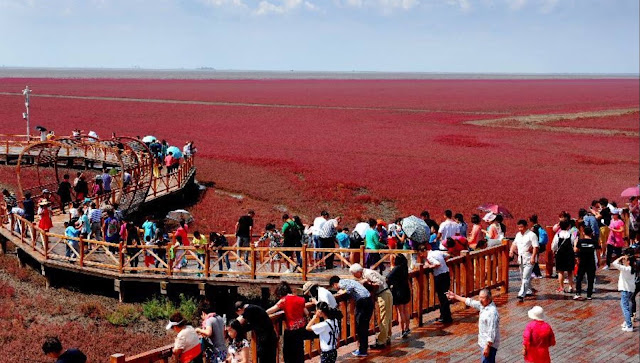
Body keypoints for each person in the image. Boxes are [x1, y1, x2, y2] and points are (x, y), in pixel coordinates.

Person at [446, 289, 500, 363]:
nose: (480, 300)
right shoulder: (483, 305)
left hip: (489, 345)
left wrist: (487, 347)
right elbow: (470, 302)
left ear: (489, 298)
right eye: (480, 297)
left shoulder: (492, 313)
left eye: (483, 298)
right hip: (483, 342)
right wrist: (455, 296)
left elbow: (492, 331)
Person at [349, 263, 392, 349]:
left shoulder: (368, 274)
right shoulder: (367, 273)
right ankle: (387, 337)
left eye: (354, 274)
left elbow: (378, 283)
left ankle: (381, 341)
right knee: (387, 318)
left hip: (383, 294)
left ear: (358, 272)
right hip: (385, 293)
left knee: (384, 318)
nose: (354, 276)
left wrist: (367, 283)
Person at [329, 275, 373, 357]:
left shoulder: (342, 283)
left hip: (362, 302)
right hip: (368, 300)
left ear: (334, 284)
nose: (336, 288)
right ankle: (363, 348)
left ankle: (362, 350)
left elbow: (350, 288)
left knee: (361, 326)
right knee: (364, 326)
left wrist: (343, 292)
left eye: (334, 287)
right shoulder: (349, 280)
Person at [266, 281, 309, 363]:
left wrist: (261, 313)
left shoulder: (284, 300)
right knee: (299, 351)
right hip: (301, 328)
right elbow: (306, 312)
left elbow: (272, 310)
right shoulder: (301, 299)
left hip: (291, 329)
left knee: (288, 353)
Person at [510, 219, 539, 302]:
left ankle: (521, 294)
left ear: (526, 226)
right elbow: (514, 244)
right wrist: (511, 251)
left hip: (529, 259)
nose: (520, 229)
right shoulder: (518, 235)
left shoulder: (532, 235)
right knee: (522, 275)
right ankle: (529, 290)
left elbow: (535, 247)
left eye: (522, 227)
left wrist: (533, 257)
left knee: (525, 276)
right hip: (521, 259)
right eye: (519, 227)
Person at [424, 249, 453, 324]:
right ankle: (446, 315)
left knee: (442, 297)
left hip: (440, 276)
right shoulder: (437, 251)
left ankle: (445, 317)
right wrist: (444, 263)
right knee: (445, 295)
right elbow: (448, 255)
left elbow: (437, 264)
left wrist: (430, 266)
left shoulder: (430, 256)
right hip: (446, 273)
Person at [386, 254, 411, 338]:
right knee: (405, 310)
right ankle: (407, 328)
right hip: (406, 289)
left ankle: (402, 330)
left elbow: (388, 277)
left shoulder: (396, 268)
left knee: (400, 312)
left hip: (398, 291)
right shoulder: (405, 267)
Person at [574, 226, 600, 300]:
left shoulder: (581, 241)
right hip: (591, 262)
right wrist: (598, 260)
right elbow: (598, 252)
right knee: (590, 278)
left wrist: (575, 243)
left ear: (583, 233)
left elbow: (576, 250)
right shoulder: (594, 242)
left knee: (579, 277)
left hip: (582, 261)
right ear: (591, 233)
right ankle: (589, 295)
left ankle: (578, 293)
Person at [612, 254, 636, 332]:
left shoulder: (626, 269)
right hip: (630, 290)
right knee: (627, 306)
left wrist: (620, 257)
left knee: (625, 307)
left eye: (625, 260)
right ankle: (627, 322)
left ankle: (629, 325)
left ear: (628, 261)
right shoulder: (632, 268)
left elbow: (614, 263)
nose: (623, 261)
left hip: (626, 290)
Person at [551, 220, 576, 293]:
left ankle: (562, 287)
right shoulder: (571, 235)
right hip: (569, 254)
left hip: (560, 254)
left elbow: (554, 245)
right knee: (570, 271)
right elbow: (573, 243)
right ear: (568, 226)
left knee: (560, 271)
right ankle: (571, 286)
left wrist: (553, 251)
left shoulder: (557, 235)